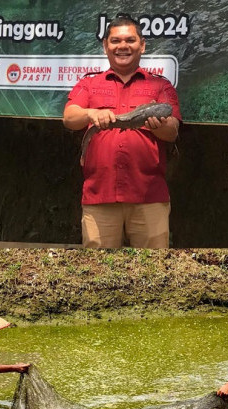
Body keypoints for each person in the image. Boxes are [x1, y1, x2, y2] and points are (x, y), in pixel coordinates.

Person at [63, 15, 181, 249]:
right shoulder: (89, 83)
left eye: (130, 40)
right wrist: (91, 114)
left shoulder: (161, 85)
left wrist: (160, 126)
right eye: (115, 41)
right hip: (100, 196)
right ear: (106, 45)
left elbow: (173, 132)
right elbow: (69, 117)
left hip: (149, 197)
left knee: (153, 272)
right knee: (99, 273)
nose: (123, 46)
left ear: (142, 45)